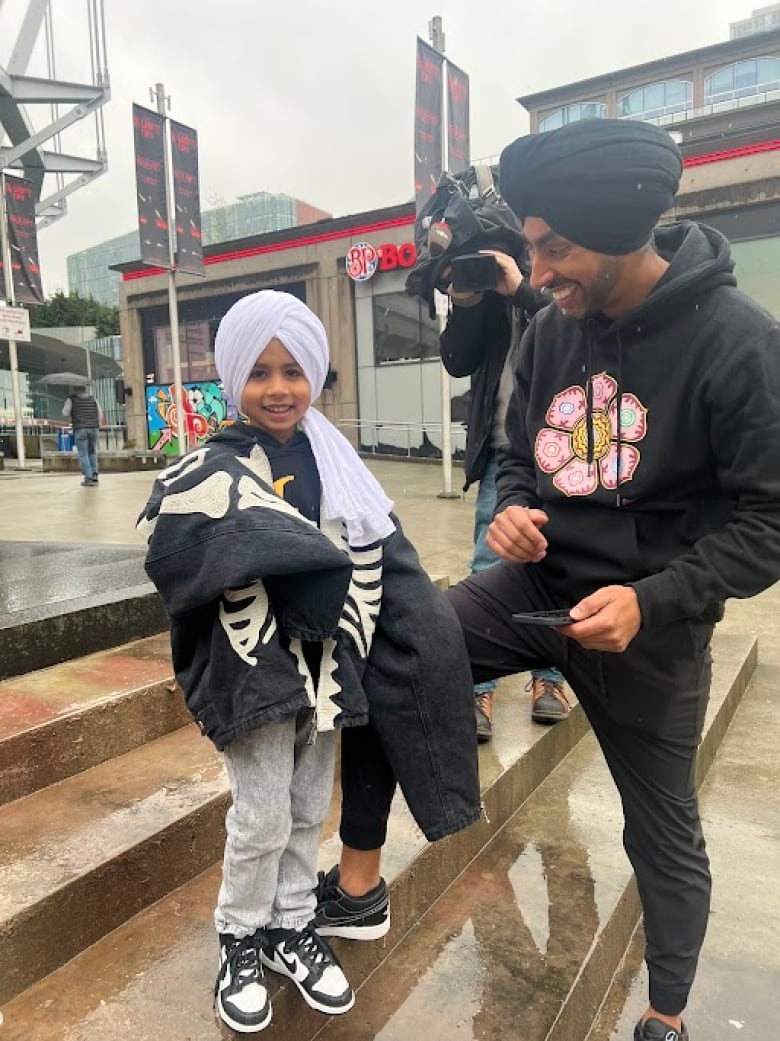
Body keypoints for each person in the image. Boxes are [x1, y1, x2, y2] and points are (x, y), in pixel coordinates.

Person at [444, 119, 780, 1041]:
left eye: (558, 247)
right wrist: (513, 510)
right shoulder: (552, 332)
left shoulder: (742, 344)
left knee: (661, 829)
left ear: (623, 229)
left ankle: (665, 1019)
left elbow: (771, 521)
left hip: (653, 627)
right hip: (535, 588)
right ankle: (361, 877)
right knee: (405, 642)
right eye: (530, 245)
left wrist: (655, 598)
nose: (540, 269)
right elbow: (517, 454)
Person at [137, 290, 480, 1034]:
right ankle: (239, 934)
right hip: (253, 669)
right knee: (258, 811)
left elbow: (377, 552)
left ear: (315, 374)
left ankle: (290, 923)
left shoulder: (337, 457)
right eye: (259, 371)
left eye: (293, 369)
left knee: (301, 809)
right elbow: (184, 554)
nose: (278, 387)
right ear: (234, 378)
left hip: (325, 662)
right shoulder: (212, 462)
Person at [440, 258, 570, 739]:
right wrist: (468, 302)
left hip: (567, 450)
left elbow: (574, 330)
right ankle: (478, 685)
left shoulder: (554, 277)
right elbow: (457, 360)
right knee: (487, 562)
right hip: (502, 450)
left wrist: (521, 289)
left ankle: (550, 681)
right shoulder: (487, 299)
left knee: (559, 563)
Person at [63, 385, 102, 486]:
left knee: (83, 453)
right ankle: (94, 475)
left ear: (75, 389)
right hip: (94, 428)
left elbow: (65, 413)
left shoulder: (71, 399)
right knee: (92, 451)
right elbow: (100, 414)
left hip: (80, 428)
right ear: (85, 389)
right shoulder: (93, 399)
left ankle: (88, 477)